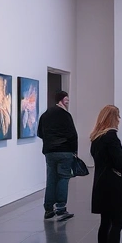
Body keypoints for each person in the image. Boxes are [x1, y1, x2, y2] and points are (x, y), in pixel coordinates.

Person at [90, 105, 122, 243]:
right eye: (118, 117)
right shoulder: (111, 137)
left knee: (105, 223)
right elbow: (119, 162)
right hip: (114, 185)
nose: (120, 120)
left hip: (101, 184)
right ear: (114, 118)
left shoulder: (96, 138)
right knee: (117, 223)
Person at [39, 91, 78, 221]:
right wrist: (74, 151)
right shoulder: (65, 115)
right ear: (61, 100)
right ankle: (61, 208)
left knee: (51, 179)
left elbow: (40, 133)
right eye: (66, 100)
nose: (67, 103)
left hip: (50, 152)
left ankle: (48, 209)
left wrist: (50, 141)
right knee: (63, 178)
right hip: (64, 151)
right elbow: (73, 134)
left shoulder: (45, 115)